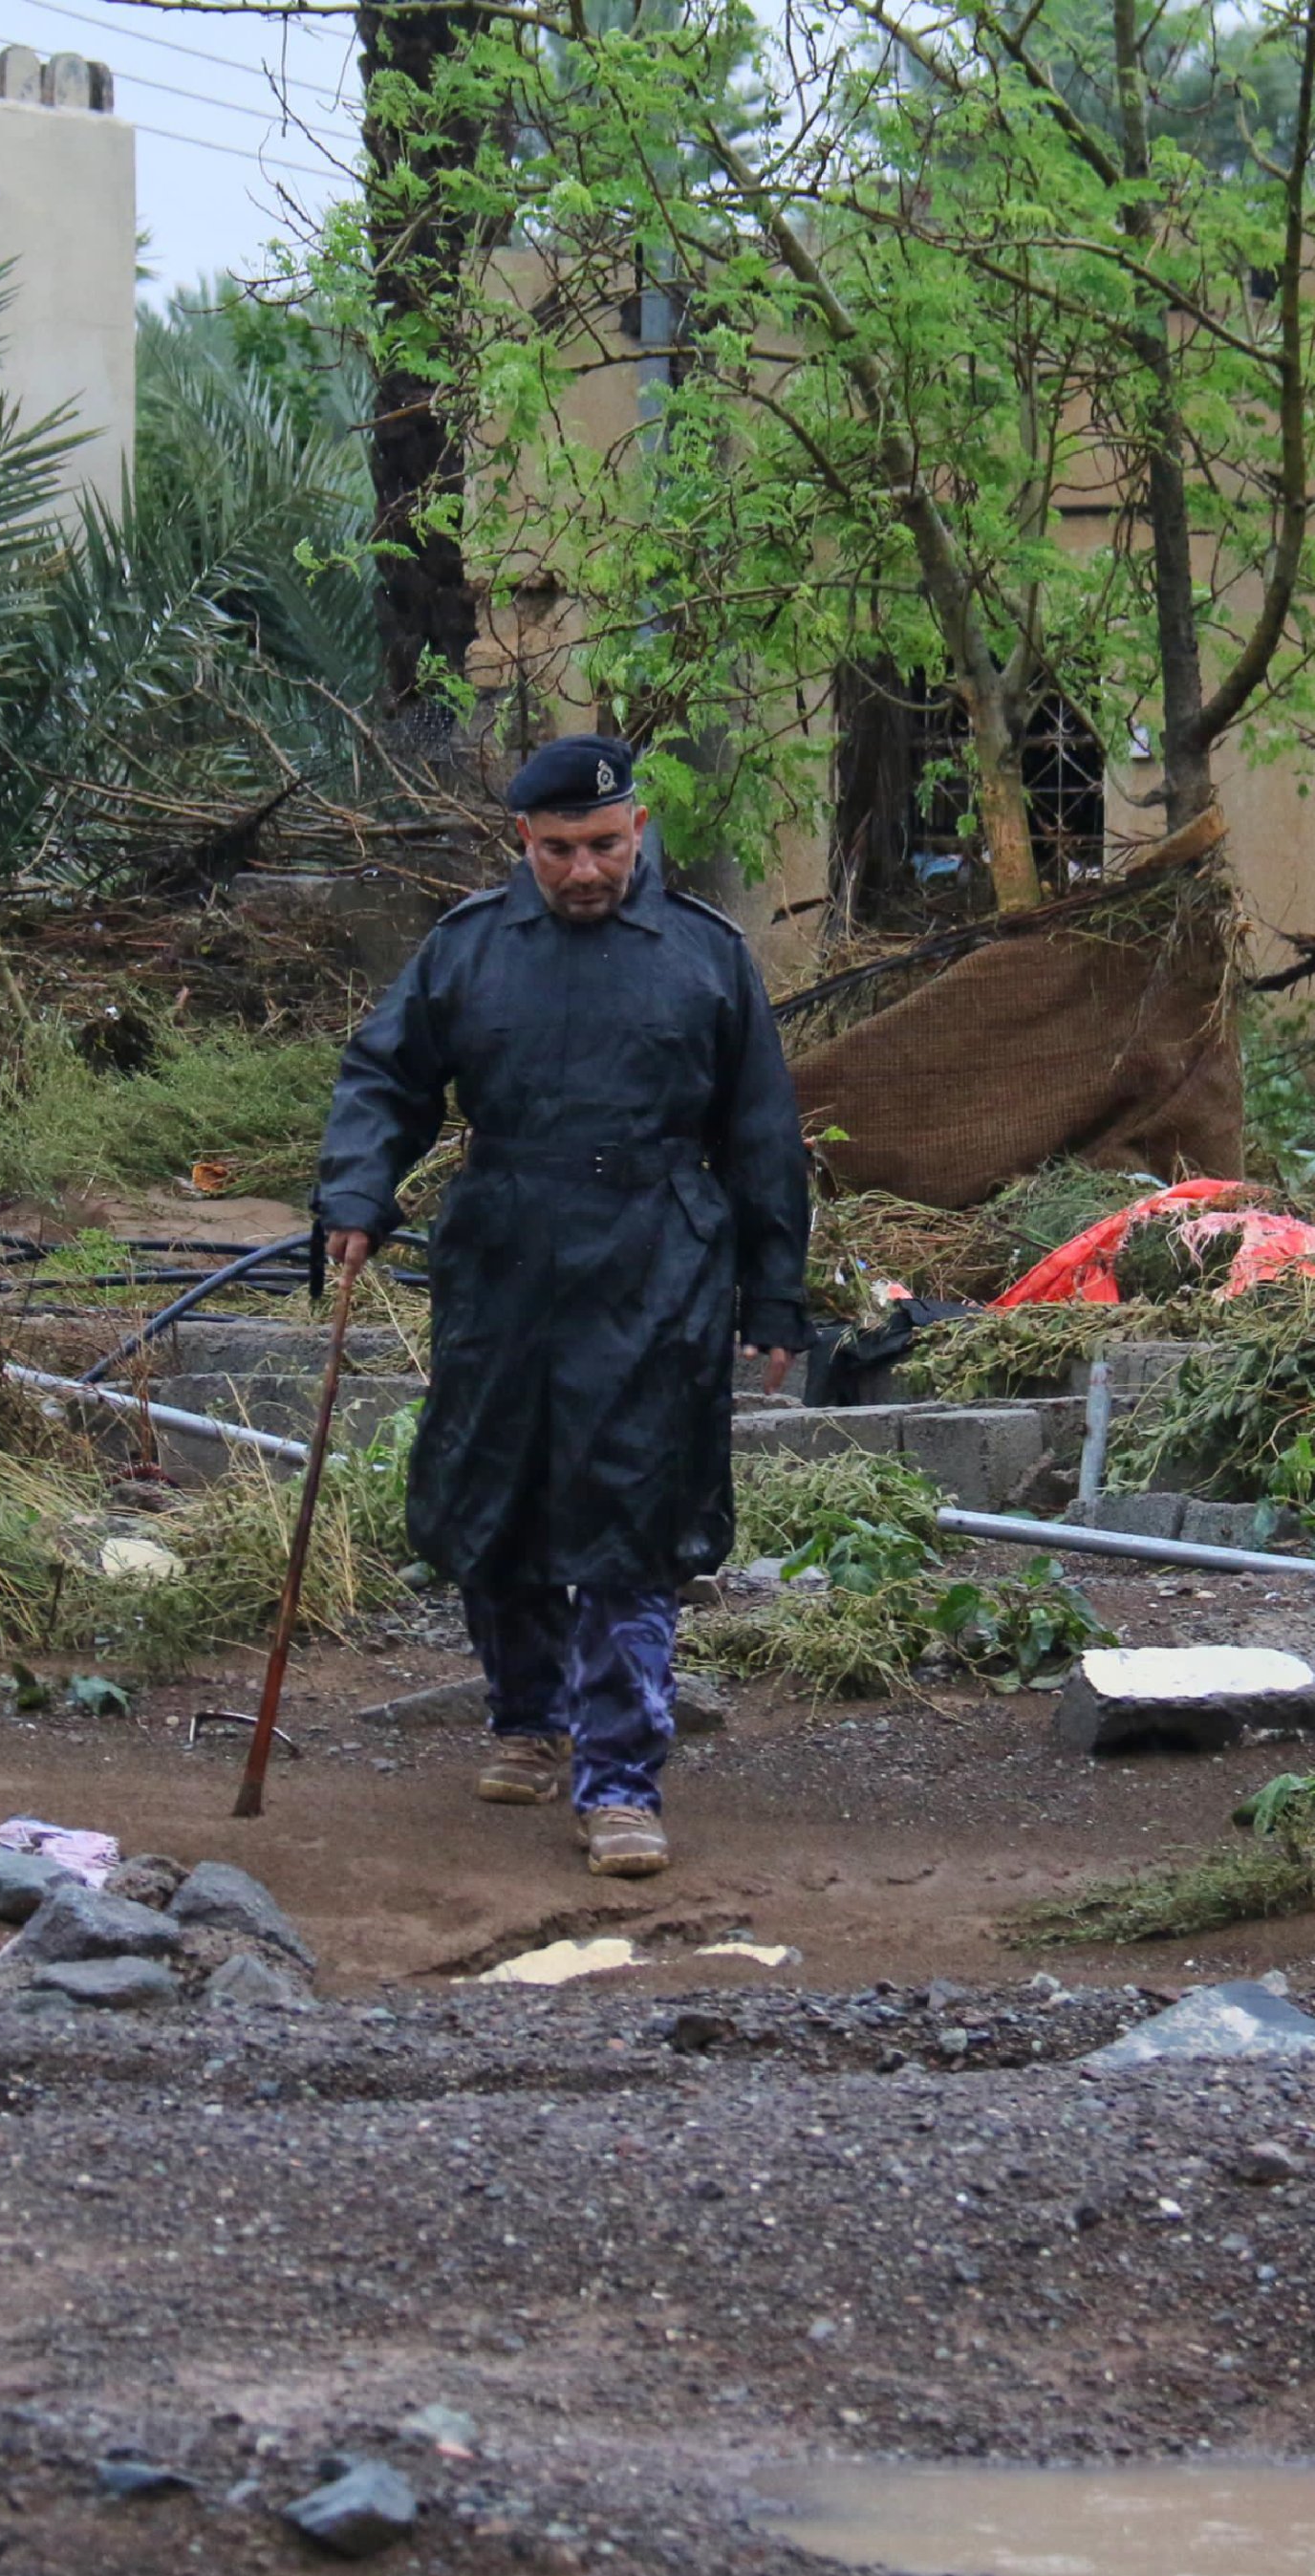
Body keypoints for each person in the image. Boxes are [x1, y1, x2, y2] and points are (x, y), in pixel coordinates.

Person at [316, 735, 812, 1879]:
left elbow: (760, 1130)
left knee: (632, 1506)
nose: (584, 871)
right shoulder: (466, 951)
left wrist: (774, 1291)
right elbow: (385, 1076)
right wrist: (356, 1190)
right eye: (557, 851)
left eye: (602, 845)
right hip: (502, 1254)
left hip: (658, 1259)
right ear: (521, 844)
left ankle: (621, 1778)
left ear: (637, 830)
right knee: (500, 1490)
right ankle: (525, 1718)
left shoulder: (705, 959)